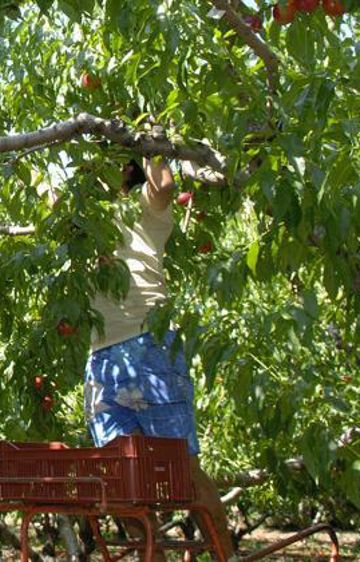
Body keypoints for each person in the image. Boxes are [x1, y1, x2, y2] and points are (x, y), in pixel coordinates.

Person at [85, 157, 235, 559]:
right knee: (120, 482)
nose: (92, 165)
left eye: (105, 157)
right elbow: (50, 200)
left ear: (126, 169)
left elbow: (165, 184)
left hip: (150, 344)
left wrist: (147, 138)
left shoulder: (145, 207)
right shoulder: (85, 220)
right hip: (102, 359)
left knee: (182, 470)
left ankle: (227, 555)